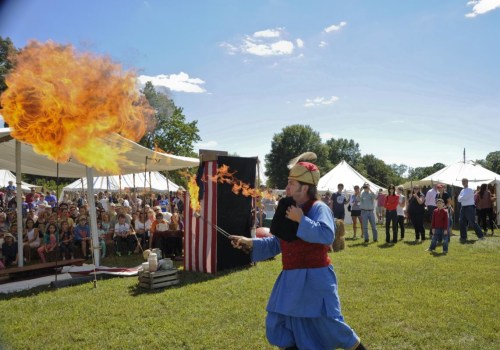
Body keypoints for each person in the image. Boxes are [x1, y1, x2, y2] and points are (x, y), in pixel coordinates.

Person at [229, 152, 365, 350]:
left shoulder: (319, 208)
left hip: (316, 279)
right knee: (278, 325)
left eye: (291, 183)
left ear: (305, 187)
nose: (287, 187)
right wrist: (250, 242)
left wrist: (301, 219)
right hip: (290, 279)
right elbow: (278, 243)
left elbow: (327, 236)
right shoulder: (288, 208)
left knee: (331, 327)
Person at [458, 178, 485, 243]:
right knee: (462, 222)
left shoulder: (470, 190)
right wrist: (462, 198)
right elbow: (458, 199)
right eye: (462, 181)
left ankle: (481, 236)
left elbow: (464, 198)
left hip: (470, 207)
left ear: (467, 182)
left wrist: (462, 197)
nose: (463, 182)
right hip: (463, 208)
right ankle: (463, 237)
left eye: (464, 181)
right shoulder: (462, 190)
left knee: (472, 222)